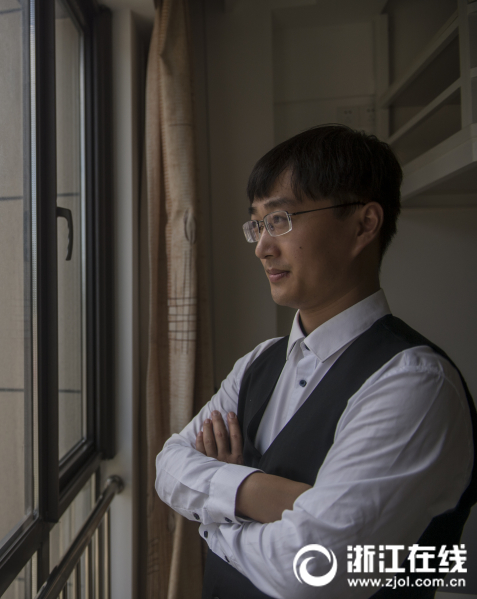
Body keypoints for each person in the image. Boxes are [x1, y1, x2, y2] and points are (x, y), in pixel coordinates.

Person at [155, 124, 476, 598]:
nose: (263, 247)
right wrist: (259, 493)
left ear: (364, 224)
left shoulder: (415, 384)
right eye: (257, 224)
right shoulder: (259, 362)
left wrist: (215, 516)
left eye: (281, 219)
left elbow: (311, 570)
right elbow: (168, 465)